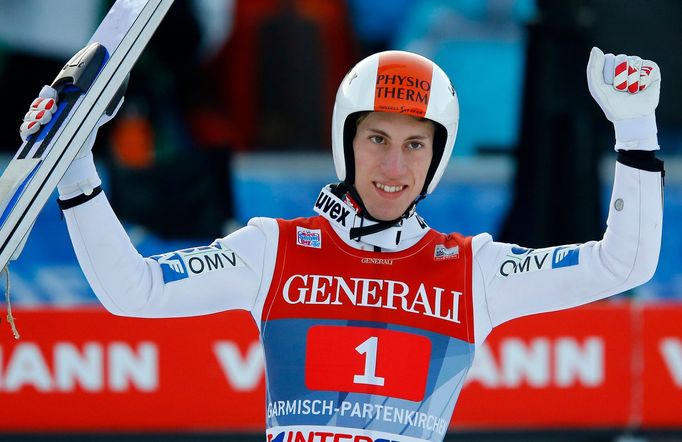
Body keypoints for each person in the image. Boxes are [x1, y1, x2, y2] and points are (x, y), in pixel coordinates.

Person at [20, 48, 663, 442]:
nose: (393, 165)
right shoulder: (274, 249)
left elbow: (623, 262)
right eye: (377, 139)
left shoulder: (475, 271)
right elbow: (133, 292)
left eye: (415, 144)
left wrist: (635, 129)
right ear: (345, 143)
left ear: (436, 161)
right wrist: (74, 167)